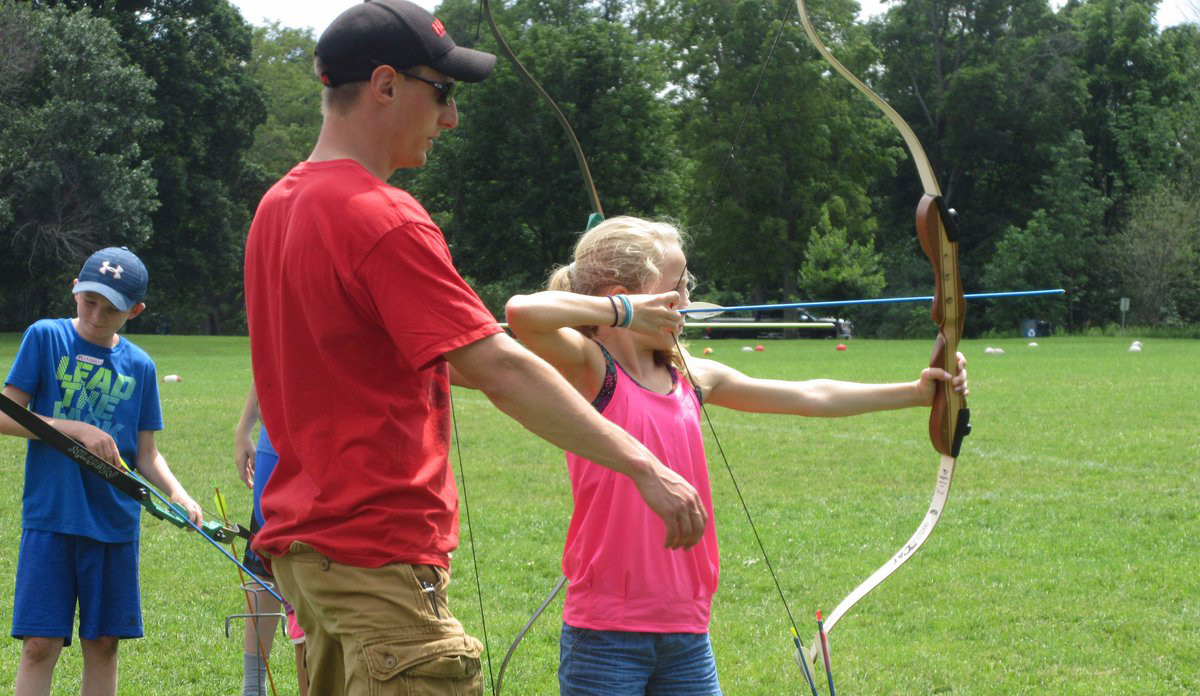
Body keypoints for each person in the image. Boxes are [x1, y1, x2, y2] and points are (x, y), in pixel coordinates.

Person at [242, 2, 707, 695]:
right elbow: (495, 367)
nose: (450, 117)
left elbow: (380, 362)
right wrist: (646, 465)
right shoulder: (382, 216)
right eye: (443, 92)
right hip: (378, 565)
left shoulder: (277, 206)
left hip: (313, 562)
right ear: (386, 84)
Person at [503, 216, 970, 696]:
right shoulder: (590, 367)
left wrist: (914, 394)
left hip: (687, 630)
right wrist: (621, 311)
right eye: (677, 288)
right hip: (605, 634)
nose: (686, 303)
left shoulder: (690, 375)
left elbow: (810, 395)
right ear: (629, 297)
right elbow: (522, 313)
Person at [0, 247, 203, 696]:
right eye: (89, 301)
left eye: (111, 309)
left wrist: (179, 495)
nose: (96, 315)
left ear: (135, 310)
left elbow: (147, 453)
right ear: (75, 288)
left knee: (105, 643)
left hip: (113, 524)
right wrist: (72, 429)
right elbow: (5, 414)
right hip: (51, 519)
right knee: (39, 644)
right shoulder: (45, 338)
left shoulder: (141, 366)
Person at [233, 383, 307, 696]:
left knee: (308, 599)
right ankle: (253, 687)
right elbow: (266, 364)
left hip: (320, 453)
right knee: (263, 571)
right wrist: (244, 428)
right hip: (275, 457)